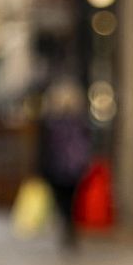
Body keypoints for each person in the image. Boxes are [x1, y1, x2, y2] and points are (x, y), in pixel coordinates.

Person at [37, 77, 91, 253]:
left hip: (59, 167)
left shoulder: (53, 122)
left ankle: (66, 226)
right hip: (72, 167)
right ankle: (69, 226)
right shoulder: (78, 122)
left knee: (63, 200)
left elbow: (45, 146)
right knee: (70, 200)